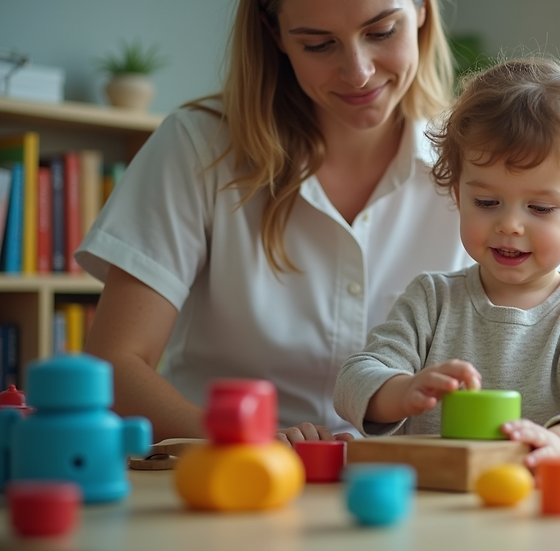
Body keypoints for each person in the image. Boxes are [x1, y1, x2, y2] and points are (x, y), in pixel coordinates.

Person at [76, 0, 472, 446]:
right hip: (226, 473)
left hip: (406, 487)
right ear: (275, 32)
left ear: (422, 10)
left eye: (381, 32)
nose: (358, 71)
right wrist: (244, 439)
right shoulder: (198, 148)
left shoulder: (476, 163)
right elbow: (116, 363)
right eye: (319, 45)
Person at [334, 57, 560, 470]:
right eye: (487, 202)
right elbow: (353, 380)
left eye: (540, 207)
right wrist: (403, 390)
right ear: (459, 198)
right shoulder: (431, 299)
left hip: (535, 505)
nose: (510, 224)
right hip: (434, 506)